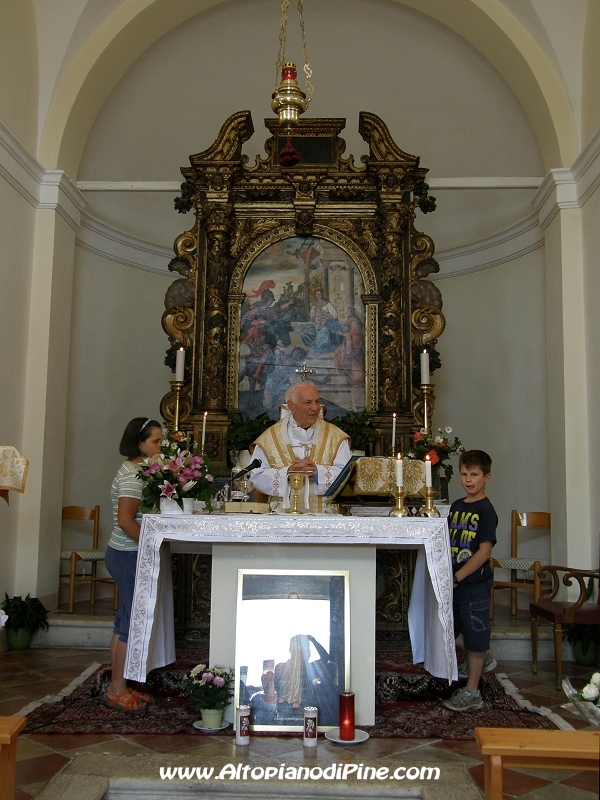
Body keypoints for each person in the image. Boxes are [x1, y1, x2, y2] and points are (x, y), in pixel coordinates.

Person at [104, 416, 162, 711]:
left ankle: (119, 685)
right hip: (128, 554)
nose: (161, 446)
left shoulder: (141, 469)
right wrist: (151, 546)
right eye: (156, 441)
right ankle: (116, 689)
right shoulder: (133, 474)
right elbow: (126, 521)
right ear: (140, 443)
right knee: (130, 623)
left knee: (124, 621)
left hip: (128, 553)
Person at [442, 450, 498, 712]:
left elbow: (484, 552)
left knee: (475, 634)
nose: (468, 479)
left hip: (473, 582)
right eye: (464, 474)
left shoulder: (486, 510)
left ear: (486, 477)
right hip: (455, 581)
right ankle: (482, 654)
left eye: (474, 475)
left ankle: (472, 691)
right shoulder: (456, 506)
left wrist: (458, 576)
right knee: (450, 631)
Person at [250, 381, 351, 513]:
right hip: (280, 519)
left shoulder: (335, 437)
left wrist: (318, 473)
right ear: (291, 406)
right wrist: (287, 473)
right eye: (308, 403)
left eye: (317, 401)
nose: (315, 408)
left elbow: (348, 475)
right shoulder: (269, 439)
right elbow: (255, 477)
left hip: (325, 521)